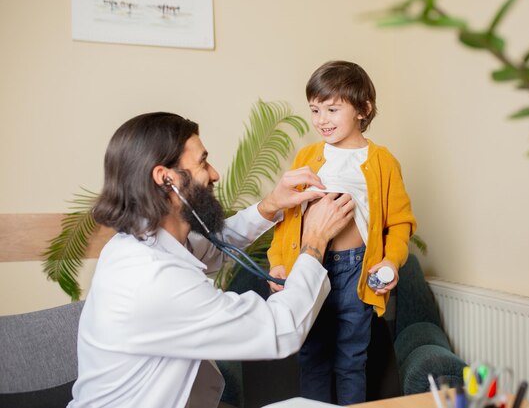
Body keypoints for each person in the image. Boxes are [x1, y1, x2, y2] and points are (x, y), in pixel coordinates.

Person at [67, 112, 355, 408]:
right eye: (203, 162)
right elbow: (279, 329)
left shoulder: (142, 244)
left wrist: (271, 206)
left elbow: (213, 246)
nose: (215, 174)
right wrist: (315, 241)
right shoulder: (151, 278)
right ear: (166, 179)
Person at [267, 60, 417, 405]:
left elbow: (399, 223)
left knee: (352, 360)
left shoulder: (382, 161)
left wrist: (391, 262)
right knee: (312, 358)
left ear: (363, 109)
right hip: (310, 266)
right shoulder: (307, 156)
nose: (321, 120)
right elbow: (286, 217)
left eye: (332, 109)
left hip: (357, 271)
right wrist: (278, 263)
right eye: (315, 109)